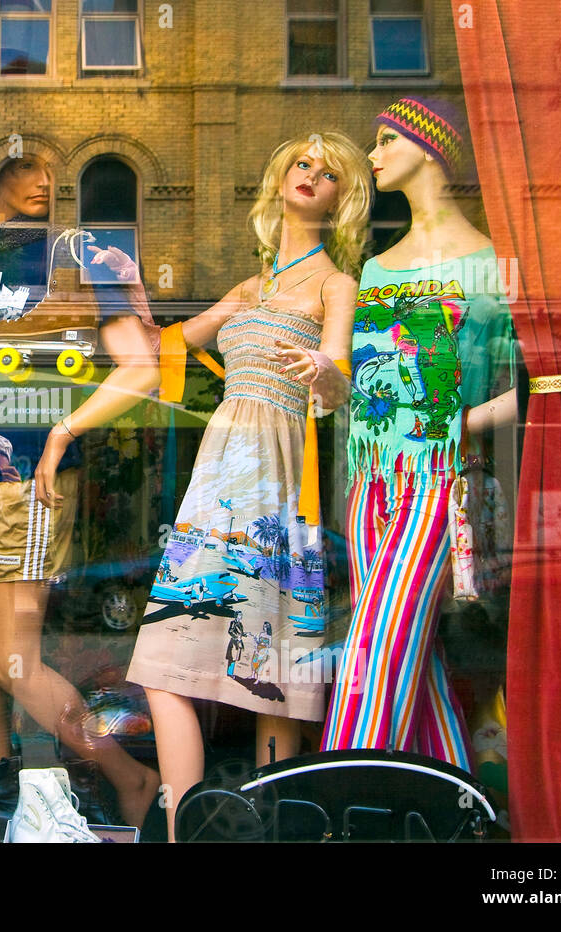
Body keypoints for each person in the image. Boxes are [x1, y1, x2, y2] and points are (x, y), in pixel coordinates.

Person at [127, 132, 370, 841]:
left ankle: (265, 828)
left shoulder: (336, 283)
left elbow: (339, 374)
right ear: (279, 179)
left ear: (341, 197)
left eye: (328, 173)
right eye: (301, 163)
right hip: (217, 476)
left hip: (279, 473)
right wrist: (113, 289)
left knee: (271, 675)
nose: (311, 176)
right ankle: (186, 828)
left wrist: (325, 373)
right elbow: (164, 347)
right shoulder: (246, 288)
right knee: (165, 660)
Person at [0, 154, 162, 835]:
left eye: (52, 172)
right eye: (23, 167)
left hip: (31, 479)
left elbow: (140, 370)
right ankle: (1, 795)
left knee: (12, 658)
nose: (43, 179)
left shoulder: (81, 258)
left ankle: (130, 778)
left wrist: (63, 432)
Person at [321, 98, 517, 768]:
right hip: (368, 482)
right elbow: (367, 386)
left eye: (383, 141)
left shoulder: (492, 265)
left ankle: (336, 800)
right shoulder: (375, 269)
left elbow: (540, 381)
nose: (371, 157)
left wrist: (465, 422)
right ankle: (459, 806)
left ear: (429, 146)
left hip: (438, 482)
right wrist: (329, 382)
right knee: (415, 659)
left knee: (375, 648)